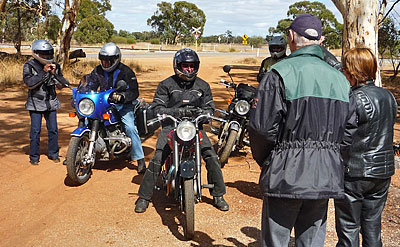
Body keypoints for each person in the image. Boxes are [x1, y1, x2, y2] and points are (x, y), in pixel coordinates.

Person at [248, 14, 357, 247]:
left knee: (275, 240)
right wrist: (333, 160)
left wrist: (268, 161)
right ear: (320, 40)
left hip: (285, 173)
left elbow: (261, 129)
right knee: (312, 240)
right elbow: (349, 133)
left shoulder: (278, 73)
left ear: (291, 37)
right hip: (324, 174)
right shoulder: (340, 79)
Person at [135, 48, 229, 213]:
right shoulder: (166, 85)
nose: (189, 69)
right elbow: (157, 107)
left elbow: (209, 108)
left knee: (211, 156)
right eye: (185, 65)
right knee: (158, 157)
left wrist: (205, 114)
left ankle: (218, 194)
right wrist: (176, 112)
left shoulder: (203, 86)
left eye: (192, 66)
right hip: (171, 126)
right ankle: (144, 197)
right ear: (177, 65)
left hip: (194, 127)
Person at [334, 47, 397, 247]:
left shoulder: (352, 98)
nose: (343, 73)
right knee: (372, 226)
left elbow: (342, 137)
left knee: (348, 228)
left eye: (345, 69)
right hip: (382, 172)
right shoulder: (389, 96)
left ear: (352, 72)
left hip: (355, 172)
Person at [87, 42, 146, 173]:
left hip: (122, 106)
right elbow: (90, 85)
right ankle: (78, 151)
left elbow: (134, 92)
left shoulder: (126, 71)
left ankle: (140, 159)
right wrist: (83, 93)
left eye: (109, 61)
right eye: (103, 60)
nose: (105, 63)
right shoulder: (97, 71)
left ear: (116, 59)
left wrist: (123, 96)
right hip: (102, 104)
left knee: (130, 127)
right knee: (86, 120)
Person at [23, 39, 70, 165]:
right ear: (36, 53)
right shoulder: (29, 66)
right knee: (35, 131)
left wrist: (55, 75)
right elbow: (29, 83)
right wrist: (43, 72)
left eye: (48, 53)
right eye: (43, 54)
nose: (46, 56)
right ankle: (34, 157)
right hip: (35, 103)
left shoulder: (55, 65)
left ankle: (53, 154)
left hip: (51, 102)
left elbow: (62, 85)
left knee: (53, 129)